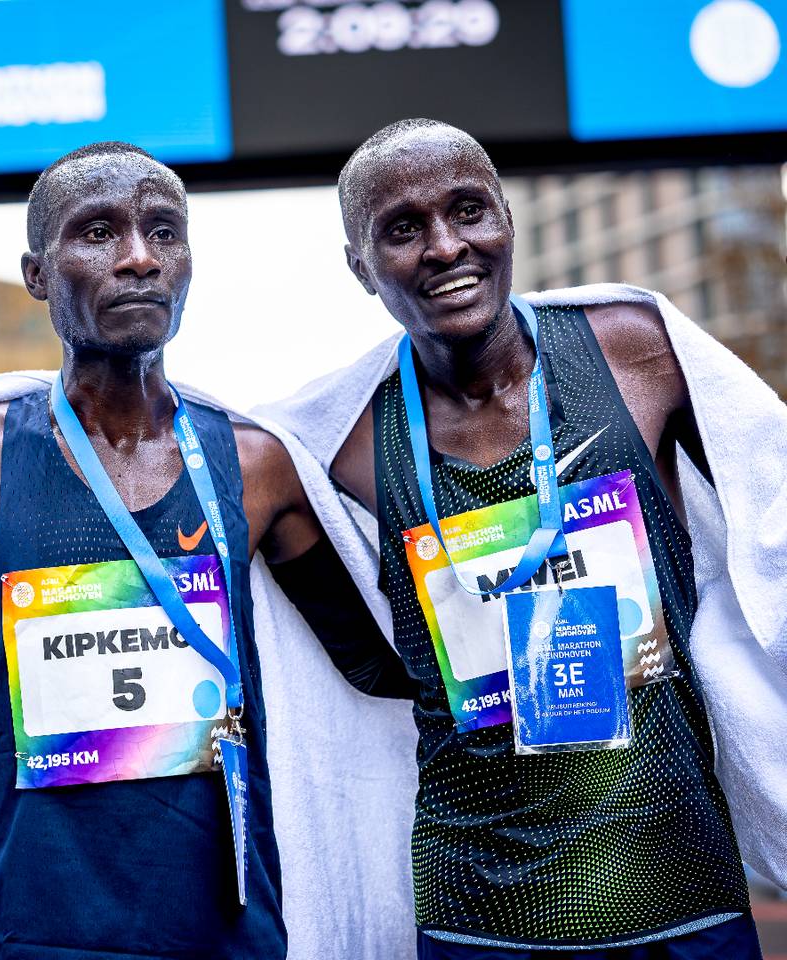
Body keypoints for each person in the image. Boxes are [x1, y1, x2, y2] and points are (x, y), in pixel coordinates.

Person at [0, 141, 414, 959]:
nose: (139, 258)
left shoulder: (256, 466)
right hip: (30, 927)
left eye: (164, 232)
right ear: (37, 273)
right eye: (99, 232)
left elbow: (377, 669)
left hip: (227, 929)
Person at [260, 118, 787, 958]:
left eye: (469, 210)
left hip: (678, 882)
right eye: (402, 229)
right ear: (361, 267)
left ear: (508, 218)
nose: (445, 247)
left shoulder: (633, 355)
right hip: (477, 911)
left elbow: (771, 528)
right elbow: (355, 659)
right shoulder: (343, 447)